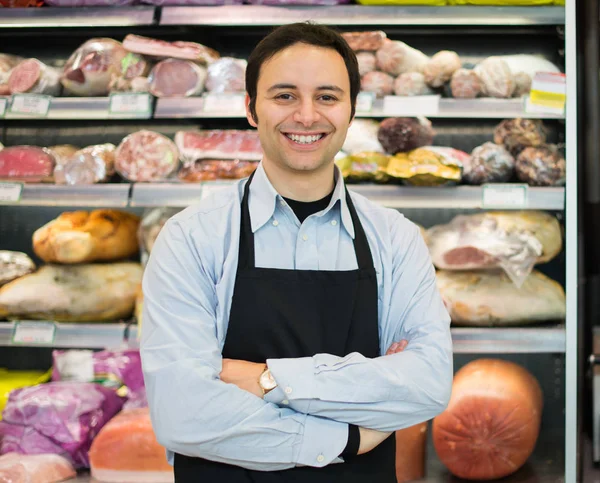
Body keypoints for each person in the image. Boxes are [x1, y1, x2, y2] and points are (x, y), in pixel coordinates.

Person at [140, 22, 453, 483]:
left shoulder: (395, 238)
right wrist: (345, 436)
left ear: (351, 110)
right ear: (251, 109)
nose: (307, 116)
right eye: (284, 96)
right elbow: (182, 413)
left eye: (327, 97)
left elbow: (426, 386)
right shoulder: (191, 237)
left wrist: (266, 380)